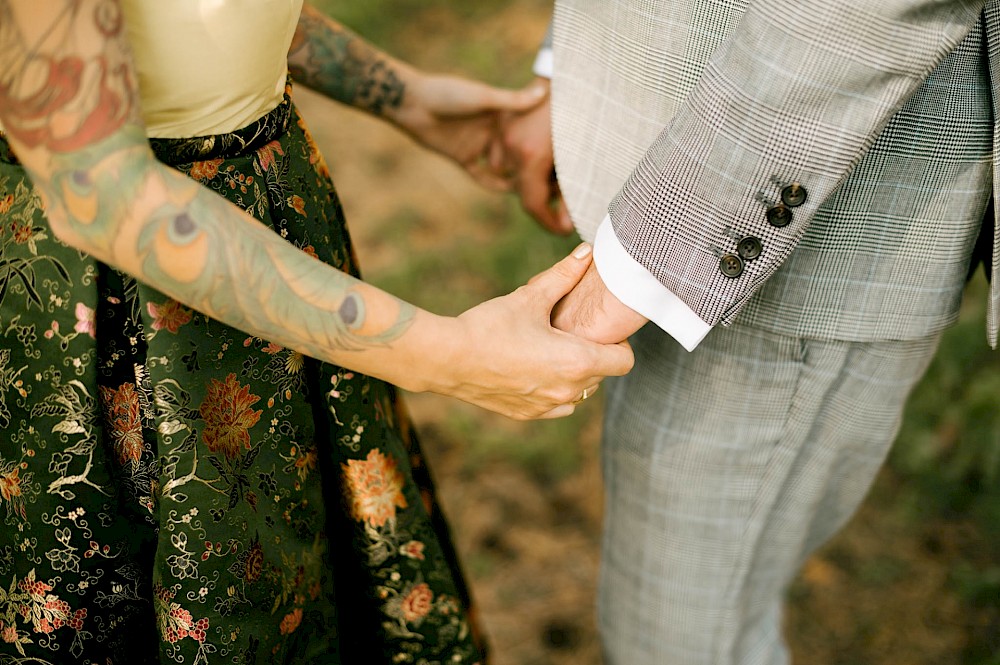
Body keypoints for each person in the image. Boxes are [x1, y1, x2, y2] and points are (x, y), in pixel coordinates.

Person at [0, 1, 634, 663]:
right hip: (122, 312)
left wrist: (403, 96)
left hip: (271, 242)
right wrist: (445, 356)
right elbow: (96, 189)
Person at [500, 1, 999, 663]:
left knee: (678, 640)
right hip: (674, 160)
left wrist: (646, 266)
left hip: (809, 246)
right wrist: (571, 66)